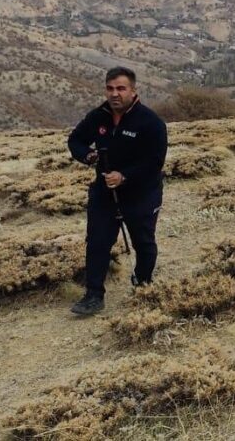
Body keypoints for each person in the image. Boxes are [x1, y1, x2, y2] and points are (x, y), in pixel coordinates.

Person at [66, 67, 167, 316]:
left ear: (133, 91)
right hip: (104, 192)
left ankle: (143, 283)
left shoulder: (151, 122)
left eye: (121, 88)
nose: (114, 94)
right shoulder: (98, 116)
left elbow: (155, 161)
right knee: (97, 241)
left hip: (142, 192)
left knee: (143, 241)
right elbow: (75, 140)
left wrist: (125, 176)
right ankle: (93, 295)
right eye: (110, 88)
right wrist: (87, 155)